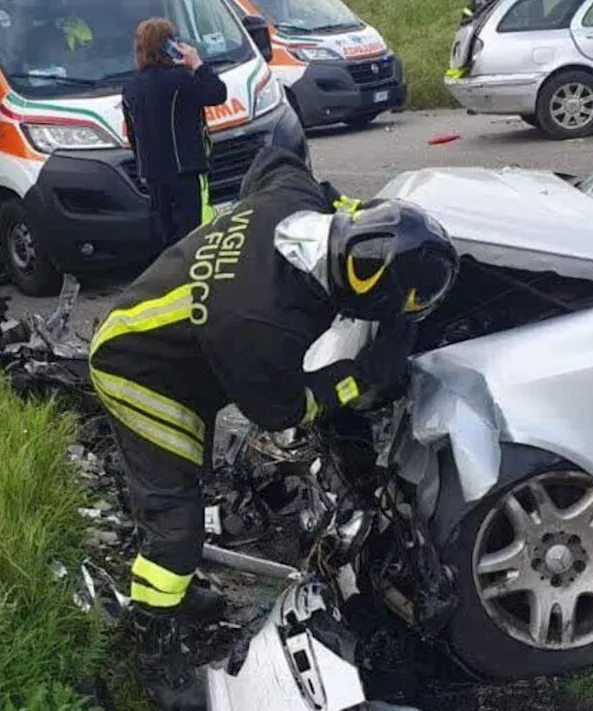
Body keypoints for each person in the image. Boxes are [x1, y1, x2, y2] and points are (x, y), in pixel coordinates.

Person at [87, 145, 460, 711]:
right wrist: (365, 373)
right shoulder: (260, 322)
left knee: (181, 489)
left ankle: (173, 593)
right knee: (175, 518)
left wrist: (344, 209)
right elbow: (283, 411)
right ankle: (155, 645)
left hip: (164, 338)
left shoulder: (296, 204)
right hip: (137, 371)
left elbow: (276, 159)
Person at [123, 19, 228, 249]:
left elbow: (133, 134)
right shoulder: (182, 79)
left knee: (167, 241)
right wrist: (198, 64)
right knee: (197, 237)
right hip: (186, 170)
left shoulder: (130, 87)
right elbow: (217, 93)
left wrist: (142, 168)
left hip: (153, 175)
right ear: (170, 45)